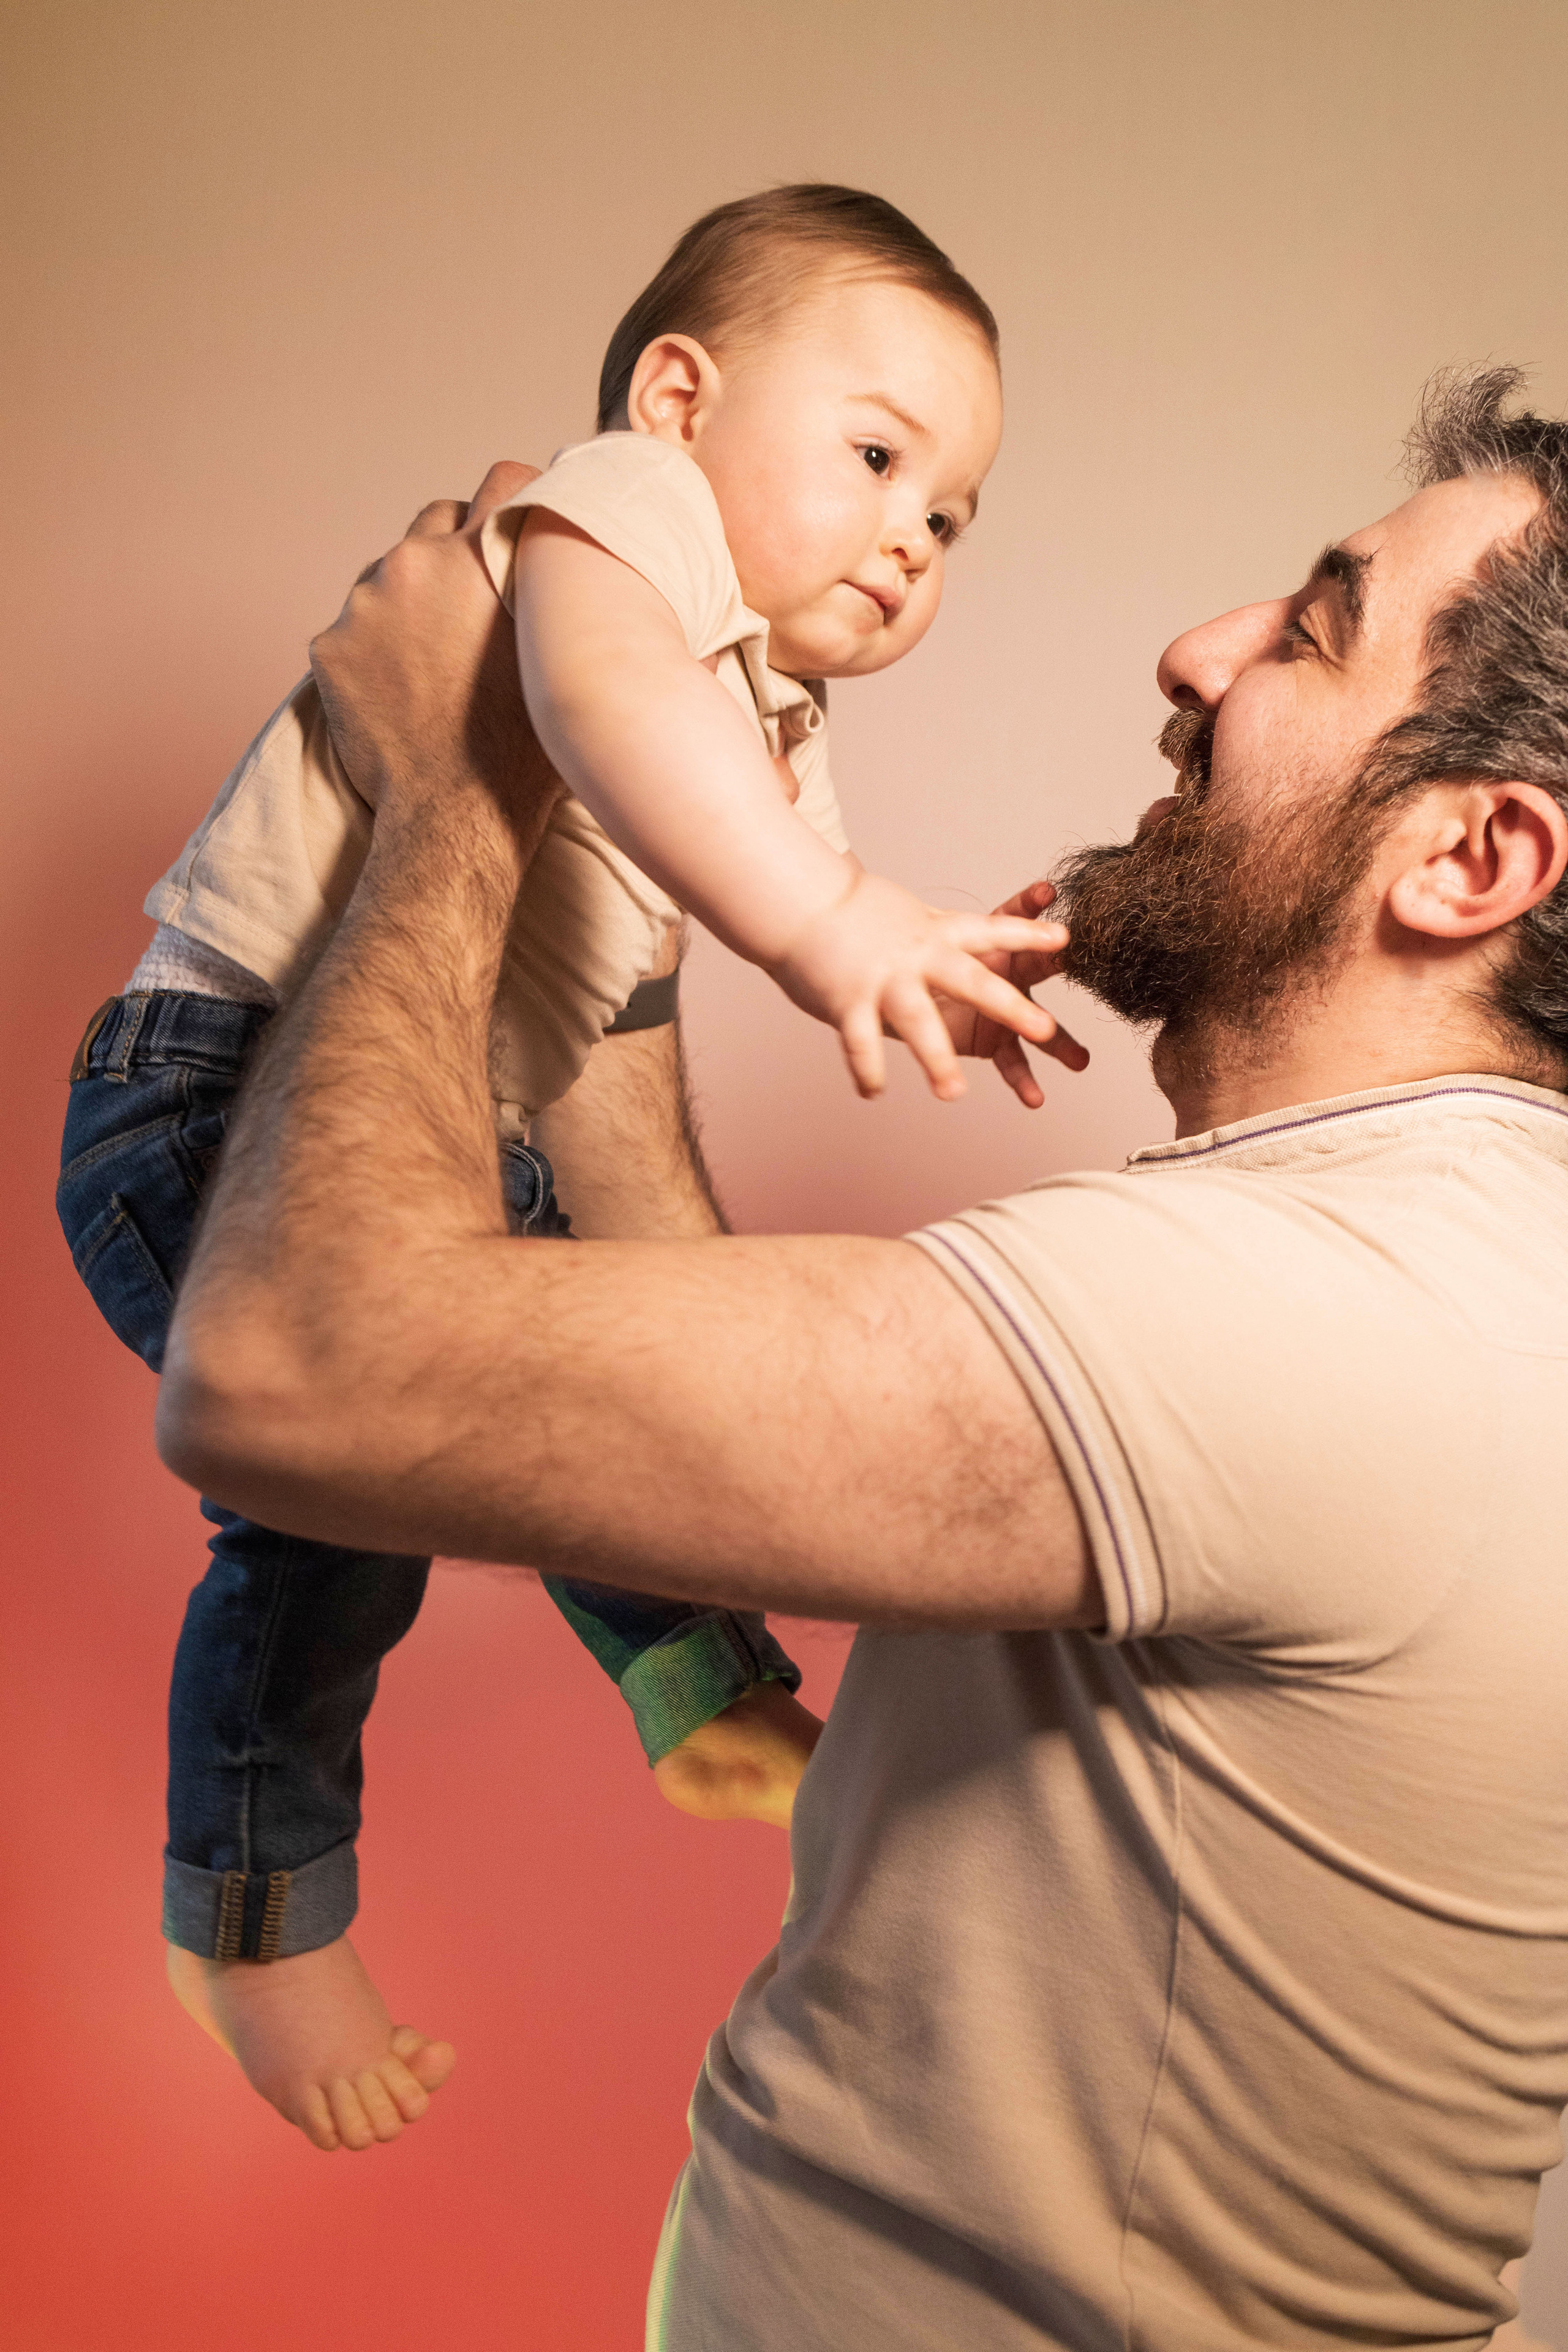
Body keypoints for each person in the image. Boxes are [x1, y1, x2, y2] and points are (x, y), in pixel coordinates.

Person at [157, 362, 1568, 2350]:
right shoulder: (1452, 1268)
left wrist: (457, 787)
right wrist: (608, 893)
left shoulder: (1324, 1312)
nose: (1199, 650)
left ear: (1472, 864)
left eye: (1312, 630)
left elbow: (290, 1374)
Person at [56, 186, 1071, 2152]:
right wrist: (837, 921)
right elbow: (599, 712)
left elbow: (647, 956)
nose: (909, 537)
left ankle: (695, 1675)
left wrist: (915, 942)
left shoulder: (772, 705)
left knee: (569, 1356)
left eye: (950, 516)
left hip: (436, 1126)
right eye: (877, 458)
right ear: (683, 399)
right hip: (205, 1090)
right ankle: (251, 1919)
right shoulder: (623, 518)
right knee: (338, 1496)